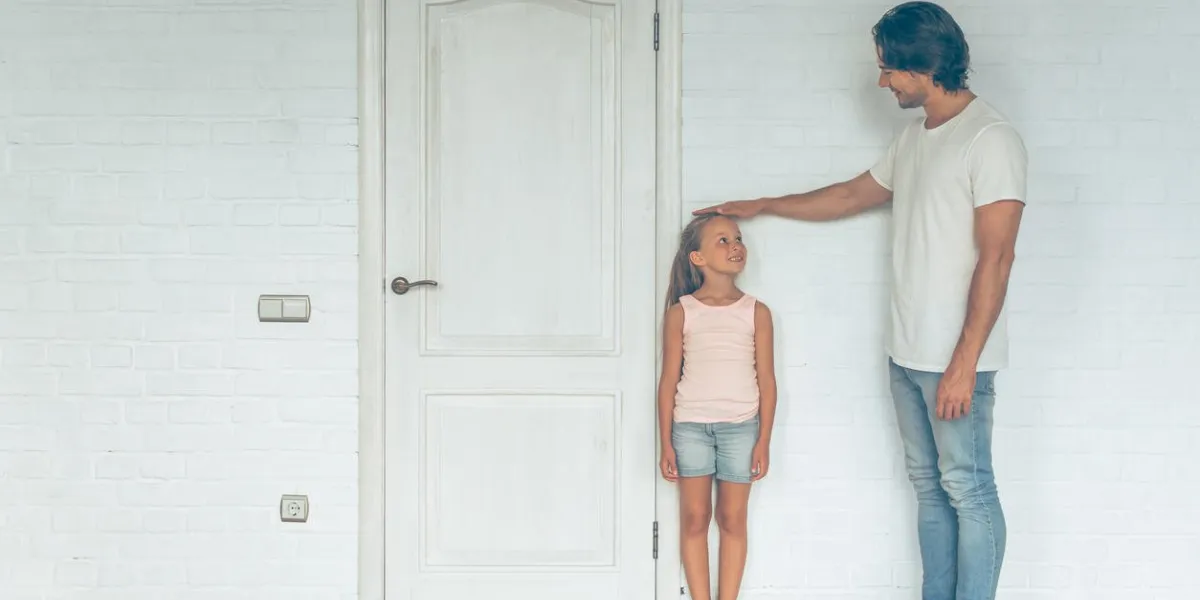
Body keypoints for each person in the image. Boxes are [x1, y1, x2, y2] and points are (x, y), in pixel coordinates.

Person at [693, 3, 1027, 600]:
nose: (882, 82)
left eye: (889, 69)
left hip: (955, 362)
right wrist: (764, 204)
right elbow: (849, 196)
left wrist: (964, 362)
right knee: (930, 488)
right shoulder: (915, 138)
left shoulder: (991, 139)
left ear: (923, 65)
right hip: (906, 354)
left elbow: (997, 258)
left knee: (969, 489)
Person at [657, 212, 777, 600]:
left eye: (738, 238)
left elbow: (767, 382)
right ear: (698, 258)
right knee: (695, 519)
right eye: (722, 240)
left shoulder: (757, 312)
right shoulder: (681, 313)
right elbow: (668, 381)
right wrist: (666, 443)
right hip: (690, 428)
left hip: (741, 429)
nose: (735, 245)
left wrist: (763, 440)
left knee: (732, 519)